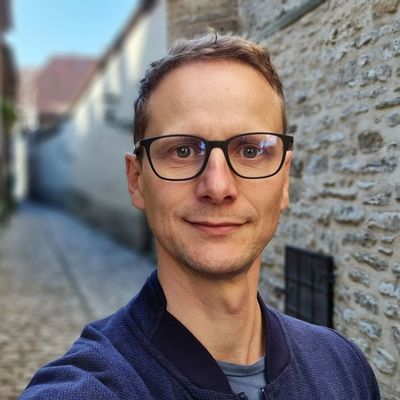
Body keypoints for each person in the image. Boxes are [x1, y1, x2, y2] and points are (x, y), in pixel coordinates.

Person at [20, 34, 380, 400]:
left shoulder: (344, 367)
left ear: (284, 181)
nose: (218, 186)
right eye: (183, 150)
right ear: (137, 180)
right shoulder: (91, 386)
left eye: (250, 150)